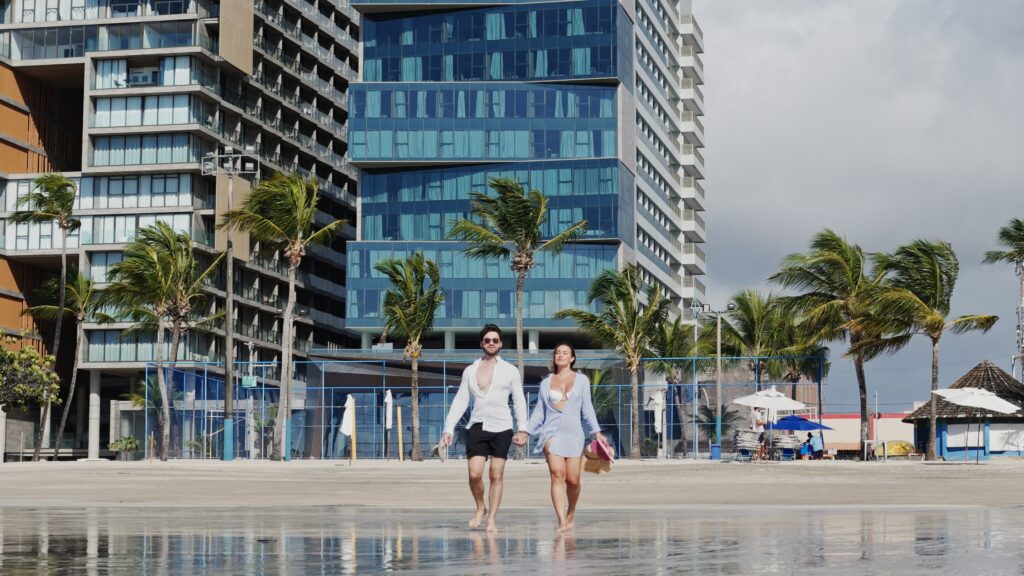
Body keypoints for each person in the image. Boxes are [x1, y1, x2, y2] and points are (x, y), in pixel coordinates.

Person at [441, 324, 528, 532]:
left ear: (500, 344)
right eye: (487, 340)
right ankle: (481, 507)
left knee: (496, 474)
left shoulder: (510, 370)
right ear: (482, 343)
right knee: (474, 474)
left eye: (495, 340)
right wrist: (448, 428)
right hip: (477, 425)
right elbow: (461, 400)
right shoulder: (470, 371)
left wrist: (523, 429)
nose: (491, 343)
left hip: (502, 427)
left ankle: (491, 520)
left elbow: (519, 401)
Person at [524, 342, 606, 533]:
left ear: (572, 358)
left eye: (565, 353)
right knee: (557, 474)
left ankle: (571, 511)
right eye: (557, 353)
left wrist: (596, 432)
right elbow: (539, 412)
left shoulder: (582, 380)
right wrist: (525, 432)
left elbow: (587, 409)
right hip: (551, 433)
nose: (560, 355)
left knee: (573, 480)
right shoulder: (546, 382)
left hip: (574, 434)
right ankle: (561, 520)